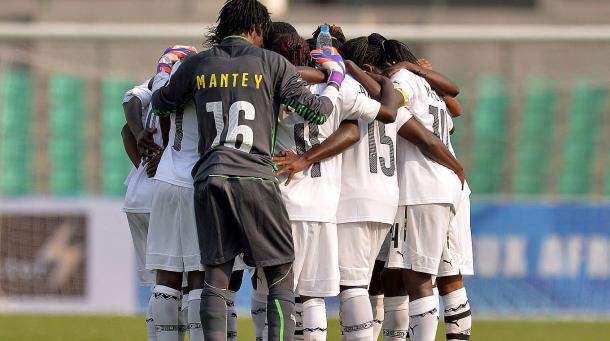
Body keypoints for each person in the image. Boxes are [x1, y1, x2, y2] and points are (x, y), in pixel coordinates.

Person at [150, 1, 346, 340]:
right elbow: (316, 112)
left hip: (209, 176)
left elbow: (161, 103)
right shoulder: (272, 62)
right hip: (255, 174)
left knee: (215, 275)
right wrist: (336, 79)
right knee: (281, 273)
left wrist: (165, 69)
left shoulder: (197, 64)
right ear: (256, 29)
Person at [269, 30, 402, 341]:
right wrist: (367, 76)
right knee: (317, 294)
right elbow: (386, 114)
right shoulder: (342, 87)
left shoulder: (268, 87)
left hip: (280, 200)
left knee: (275, 292)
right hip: (325, 204)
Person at [371, 35, 464, 341]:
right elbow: (455, 111)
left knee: (417, 277)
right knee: (444, 273)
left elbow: (393, 107)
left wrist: (381, 86)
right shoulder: (431, 90)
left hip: (422, 187)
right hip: (446, 187)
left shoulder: (402, 79)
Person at [121, 77, 163, 341]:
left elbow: (126, 128)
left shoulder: (149, 91)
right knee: (186, 282)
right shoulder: (191, 86)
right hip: (171, 191)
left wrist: (140, 166)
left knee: (159, 284)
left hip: (138, 196)